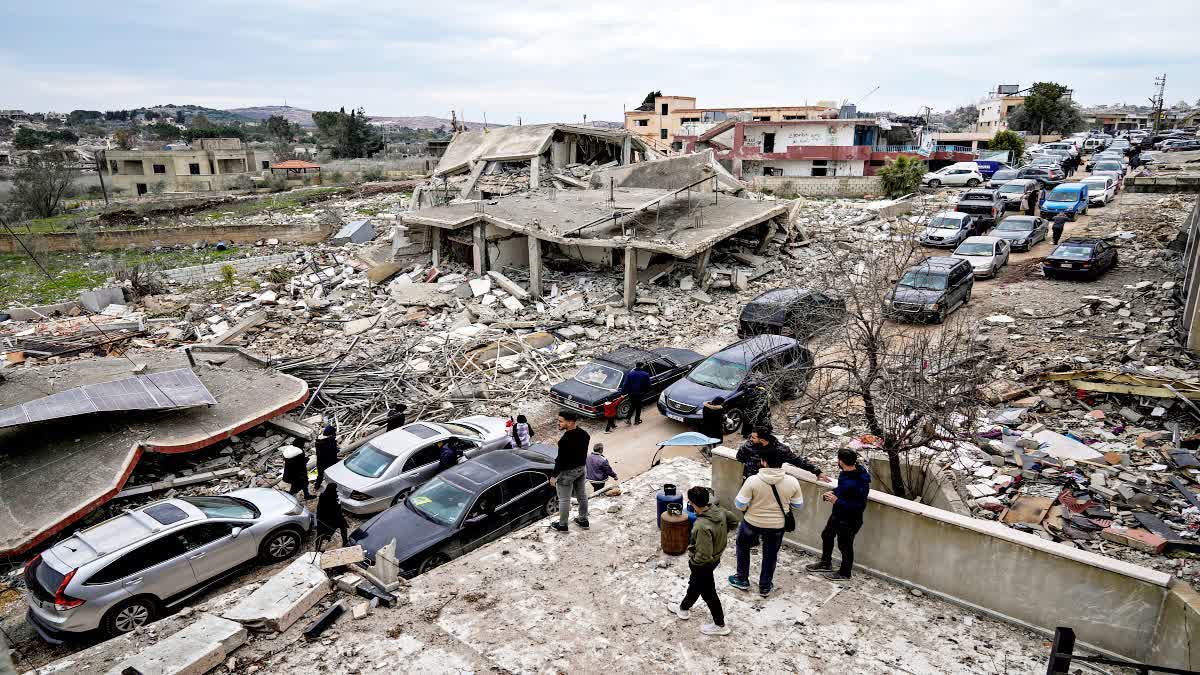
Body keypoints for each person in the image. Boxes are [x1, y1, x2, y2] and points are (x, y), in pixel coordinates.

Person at [729, 450, 805, 597]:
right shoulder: (792, 481)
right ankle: (764, 586)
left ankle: (742, 578)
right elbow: (798, 506)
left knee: (743, 547)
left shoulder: (752, 480)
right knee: (770, 555)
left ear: (763, 461)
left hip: (752, 522)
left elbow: (740, 504)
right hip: (776, 526)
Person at [668, 485, 738, 636]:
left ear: (692, 503)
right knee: (695, 586)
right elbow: (734, 522)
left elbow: (703, 554)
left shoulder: (701, 526)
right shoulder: (719, 510)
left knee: (708, 594)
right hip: (716, 557)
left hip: (703, 564)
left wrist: (693, 562)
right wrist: (720, 535)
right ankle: (683, 609)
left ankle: (720, 625)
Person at [807, 449, 872, 581]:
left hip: (851, 519)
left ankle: (845, 572)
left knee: (845, 545)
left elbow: (859, 505)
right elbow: (842, 490)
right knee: (827, 535)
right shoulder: (845, 474)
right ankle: (826, 563)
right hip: (837, 514)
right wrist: (832, 493)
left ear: (841, 461)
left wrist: (837, 501)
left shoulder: (860, 481)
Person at [550, 410, 590, 531]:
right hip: (581, 469)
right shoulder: (584, 434)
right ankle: (583, 520)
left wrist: (553, 476)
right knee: (582, 495)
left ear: (570, 422)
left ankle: (562, 525)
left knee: (564, 499)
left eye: (561, 421)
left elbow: (560, 460)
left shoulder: (564, 441)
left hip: (568, 473)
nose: (558, 423)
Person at [736, 427, 825, 482]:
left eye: (753, 437)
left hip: (770, 482)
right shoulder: (749, 446)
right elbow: (739, 457)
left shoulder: (780, 450)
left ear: (762, 440)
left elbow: (797, 461)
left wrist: (817, 471)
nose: (750, 439)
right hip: (750, 480)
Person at [314, 425, 338, 490]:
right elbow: (334, 451)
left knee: (320, 476)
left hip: (320, 461)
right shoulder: (330, 442)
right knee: (332, 475)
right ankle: (332, 488)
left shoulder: (318, 441)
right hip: (330, 462)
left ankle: (316, 486)